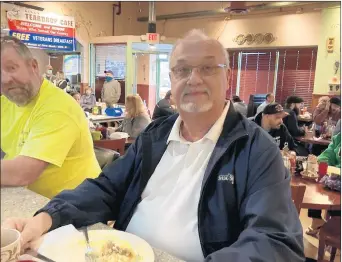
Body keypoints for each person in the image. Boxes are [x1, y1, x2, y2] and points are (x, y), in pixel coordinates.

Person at [2, 30, 304, 262]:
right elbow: (106, 187)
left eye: (208, 68)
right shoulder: (155, 135)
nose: (194, 79)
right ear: (170, 80)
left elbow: (275, 240)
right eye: (182, 70)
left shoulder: (255, 149)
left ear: (227, 76)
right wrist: (46, 217)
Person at [0, 36, 101, 199]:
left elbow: (24, 172)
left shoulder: (58, 107)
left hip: (78, 210)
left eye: (11, 68)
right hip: (33, 201)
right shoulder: (5, 103)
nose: (5, 79)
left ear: (33, 66)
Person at [305, 132, 341, 236]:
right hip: (335, 179)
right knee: (316, 182)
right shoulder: (339, 137)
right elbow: (327, 155)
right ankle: (316, 219)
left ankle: (336, 229)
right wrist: (320, 161)